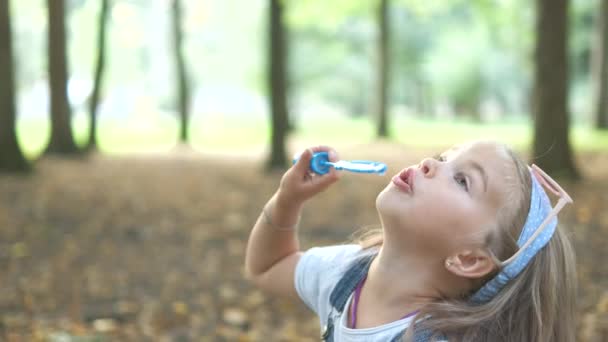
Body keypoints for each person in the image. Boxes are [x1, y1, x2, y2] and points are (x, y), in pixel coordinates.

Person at [244, 141, 576, 342]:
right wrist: (287, 200)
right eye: (445, 159)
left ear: (469, 258)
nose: (430, 164)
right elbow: (268, 268)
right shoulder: (344, 274)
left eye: (462, 181)